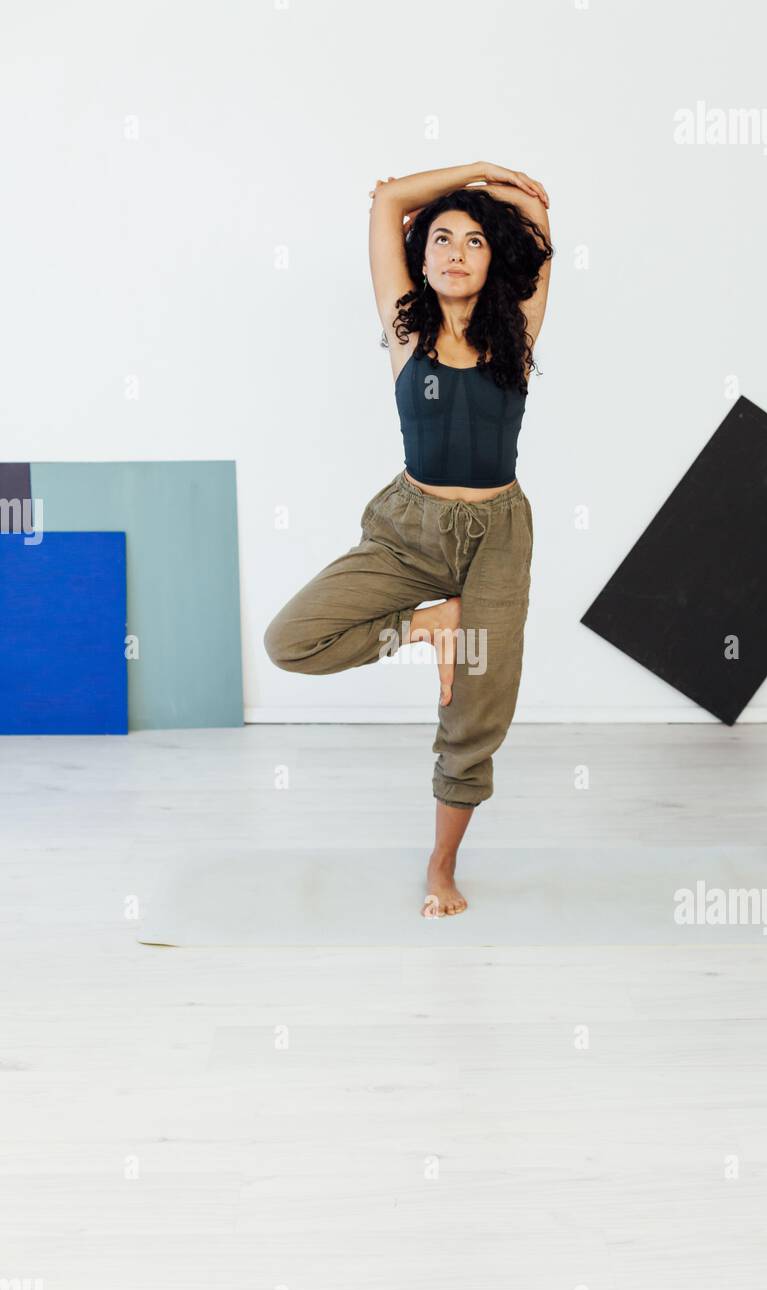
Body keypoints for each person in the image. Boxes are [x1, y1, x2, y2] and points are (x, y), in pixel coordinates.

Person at [264, 161, 553, 918]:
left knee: (477, 712)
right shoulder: (406, 325)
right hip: (409, 529)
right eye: (442, 239)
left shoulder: (517, 327)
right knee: (289, 640)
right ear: (418, 257)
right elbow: (389, 198)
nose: (457, 251)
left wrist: (498, 193)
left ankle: (442, 864)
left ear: (497, 260)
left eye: (475, 242)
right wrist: (478, 173)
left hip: (497, 539)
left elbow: (534, 208)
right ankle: (432, 623)